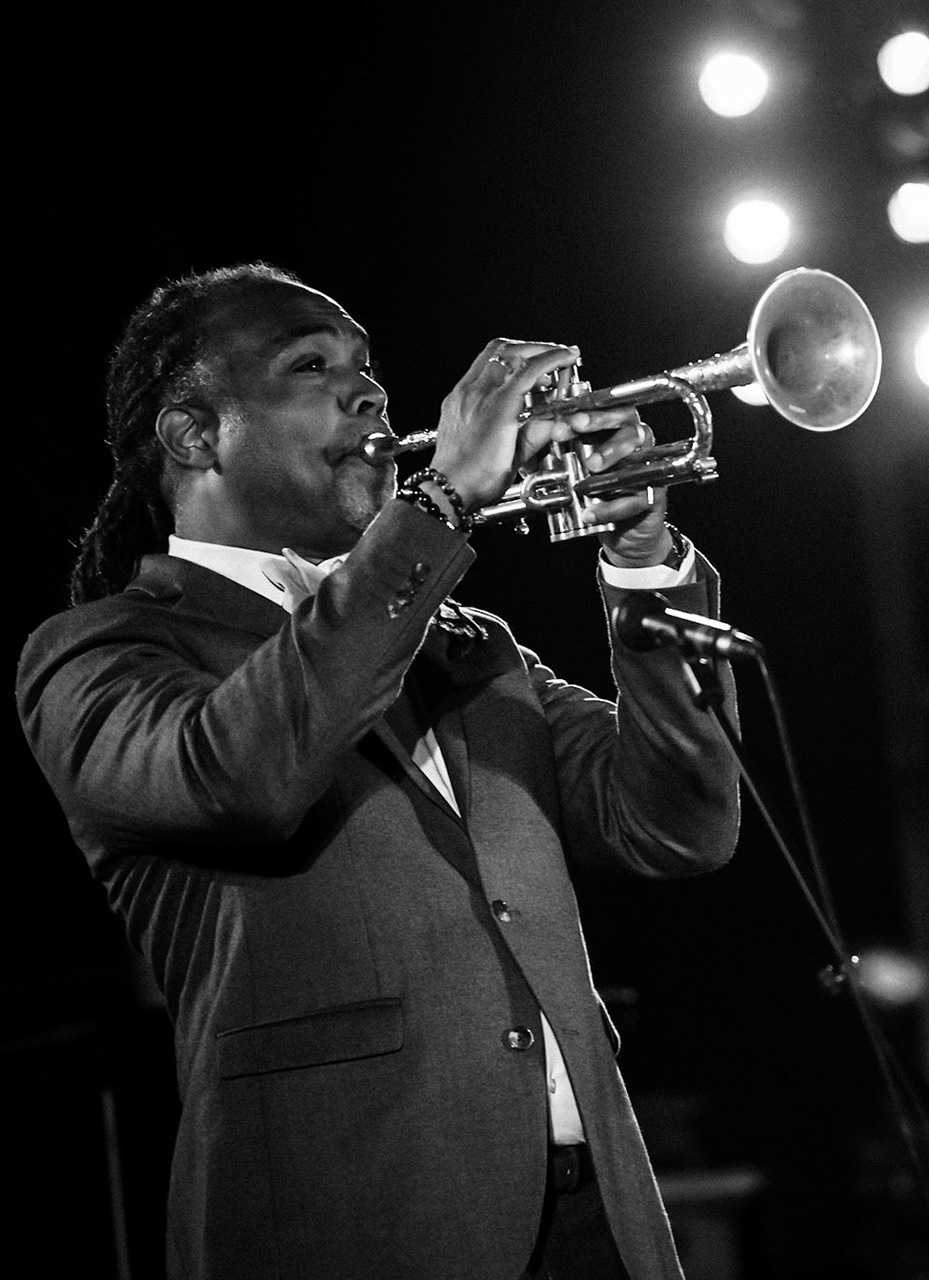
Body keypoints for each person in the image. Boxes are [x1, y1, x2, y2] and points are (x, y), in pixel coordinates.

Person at [16, 262, 742, 1279]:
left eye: (368, 367)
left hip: (594, 1226)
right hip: (351, 1229)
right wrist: (439, 504)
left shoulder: (465, 645)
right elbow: (242, 776)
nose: (368, 394)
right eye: (311, 365)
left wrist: (640, 550)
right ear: (193, 436)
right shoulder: (103, 653)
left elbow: (679, 823)